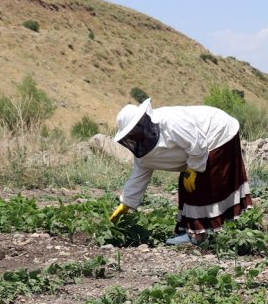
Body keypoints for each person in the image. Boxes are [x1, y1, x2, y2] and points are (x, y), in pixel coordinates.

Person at [108, 98, 253, 245]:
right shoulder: (143, 152)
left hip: (217, 130)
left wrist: (193, 168)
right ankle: (191, 230)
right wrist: (127, 202)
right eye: (132, 133)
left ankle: (197, 237)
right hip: (200, 146)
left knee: (202, 184)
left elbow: (197, 142)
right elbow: (139, 175)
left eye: (136, 128)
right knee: (188, 185)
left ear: (143, 121)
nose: (135, 134)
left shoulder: (171, 122)